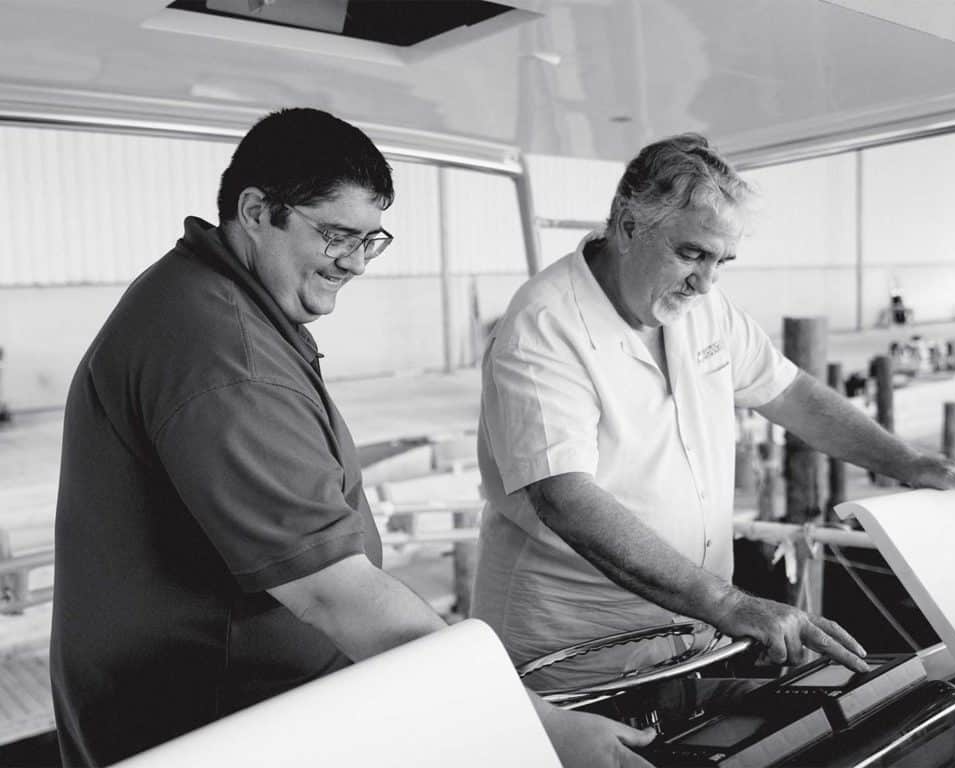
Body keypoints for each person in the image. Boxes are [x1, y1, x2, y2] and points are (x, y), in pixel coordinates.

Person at [51, 108, 655, 767]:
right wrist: (534, 723)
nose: (357, 263)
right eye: (337, 235)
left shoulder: (219, 303)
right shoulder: (224, 357)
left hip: (258, 707)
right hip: (215, 727)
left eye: (372, 240)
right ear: (256, 211)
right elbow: (333, 593)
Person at [471, 133, 955, 691]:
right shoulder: (544, 326)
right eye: (692, 254)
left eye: (721, 261)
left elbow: (791, 395)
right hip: (575, 658)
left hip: (689, 637)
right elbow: (566, 498)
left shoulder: (701, 306)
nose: (706, 282)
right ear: (629, 227)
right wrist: (728, 602)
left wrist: (910, 462)